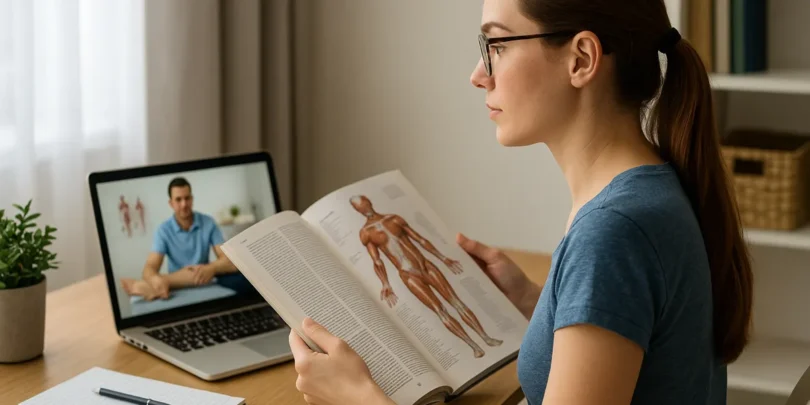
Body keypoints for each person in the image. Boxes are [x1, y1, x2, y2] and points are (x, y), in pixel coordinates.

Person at [285, 0, 754, 404]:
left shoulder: (614, 231)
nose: (478, 75)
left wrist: (361, 398)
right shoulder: (649, 190)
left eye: (498, 46)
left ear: (582, 59)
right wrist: (539, 303)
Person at [351, 194, 502, 359]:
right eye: (358, 207)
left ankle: (486, 338)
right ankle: (473, 346)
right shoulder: (366, 233)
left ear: (369, 201)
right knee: (440, 311)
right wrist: (385, 284)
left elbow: (420, 240)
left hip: (427, 267)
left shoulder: (394, 219)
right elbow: (377, 261)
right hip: (409, 276)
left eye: (363, 204)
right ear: (356, 210)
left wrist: (443, 258)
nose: (363, 208)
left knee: (457, 302)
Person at [121, 177, 254, 301]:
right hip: (180, 286)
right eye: (178, 200)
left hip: (203, 278)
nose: (184, 204)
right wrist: (155, 279)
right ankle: (163, 283)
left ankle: (160, 284)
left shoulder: (208, 223)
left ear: (192, 199)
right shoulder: (163, 230)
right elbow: (149, 268)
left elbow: (229, 261)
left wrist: (211, 268)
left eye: (187, 198)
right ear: (171, 203)